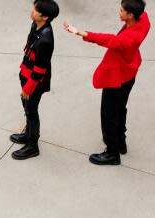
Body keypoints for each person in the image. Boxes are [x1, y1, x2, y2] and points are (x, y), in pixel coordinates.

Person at [64, 2, 150, 164]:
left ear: (130, 15)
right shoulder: (143, 20)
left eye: (122, 10)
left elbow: (107, 40)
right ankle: (120, 142)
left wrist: (80, 32)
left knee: (109, 114)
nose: (119, 12)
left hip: (116, 77)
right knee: (120, 108)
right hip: (129, 73)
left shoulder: (126, 39)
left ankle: (112, 153)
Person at [11, 1, 59, 159]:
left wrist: (28, 88)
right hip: (26, 74)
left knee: (31, 111)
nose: (32, 12)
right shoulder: (35, 25)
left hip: (35, 82)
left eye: (36, 11)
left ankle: (32, 145)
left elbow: (40, 70)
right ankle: (28, 134)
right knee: (27, 107)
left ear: (45, 17)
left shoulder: (46, 41)